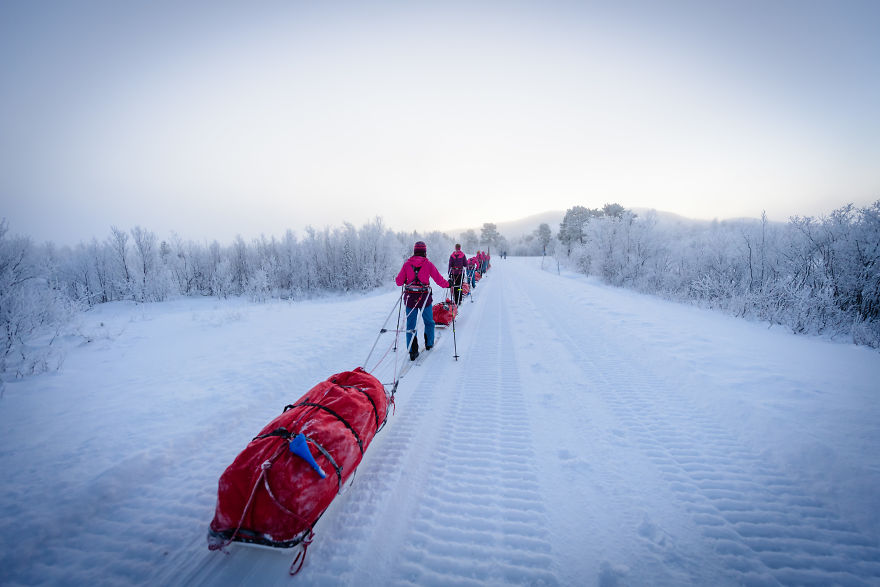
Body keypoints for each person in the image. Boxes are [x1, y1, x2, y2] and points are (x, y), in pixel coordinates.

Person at [396, 241, 450, 361]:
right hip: (424, 298)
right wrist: (448, 284)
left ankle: (412, 351)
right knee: (429, 322)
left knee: (410, 325)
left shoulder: (406, 265)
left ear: (414, 251)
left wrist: (406, 279)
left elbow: (399, 282)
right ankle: (429, 344)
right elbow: (438, 279)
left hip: (410, 298)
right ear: (425, 252)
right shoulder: (428, 264)